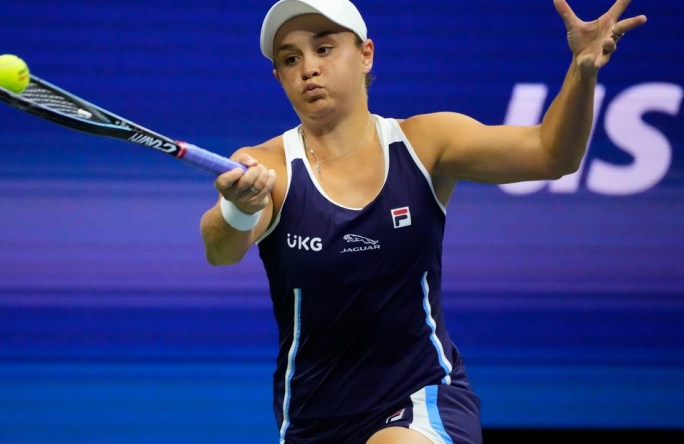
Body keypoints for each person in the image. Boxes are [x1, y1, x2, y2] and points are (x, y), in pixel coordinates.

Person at [199, 0, 646, 442]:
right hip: (313, 420)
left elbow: (552, 155)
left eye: (324, 48)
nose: (308, 69)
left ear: (365, 54)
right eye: (290, 59)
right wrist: (239, 207)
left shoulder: (425, 142)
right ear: (279, 78)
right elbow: (220, 250)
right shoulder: (264, 166)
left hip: (420, 397)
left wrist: (582, 71)